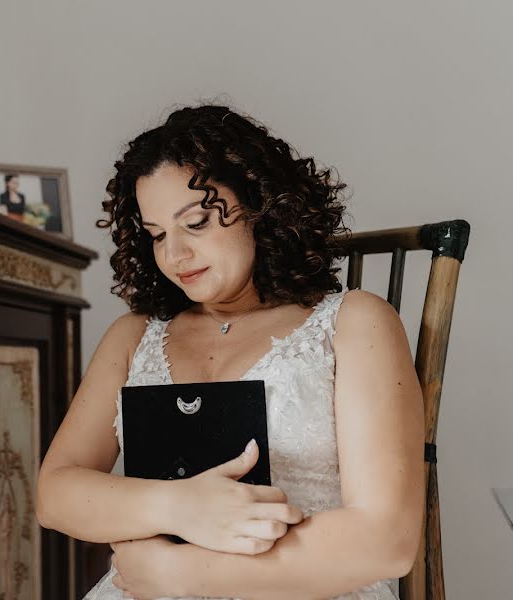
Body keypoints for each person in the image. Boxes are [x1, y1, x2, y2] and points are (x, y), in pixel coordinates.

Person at [36, 105, 424, 599]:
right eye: (157, 235)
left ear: (261, 206)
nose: (174, 256)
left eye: (196, 223)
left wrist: (186, 574)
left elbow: (387, 541)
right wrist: (178, 506)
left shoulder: (355, 322)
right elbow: (55, 494)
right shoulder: (134, 335)